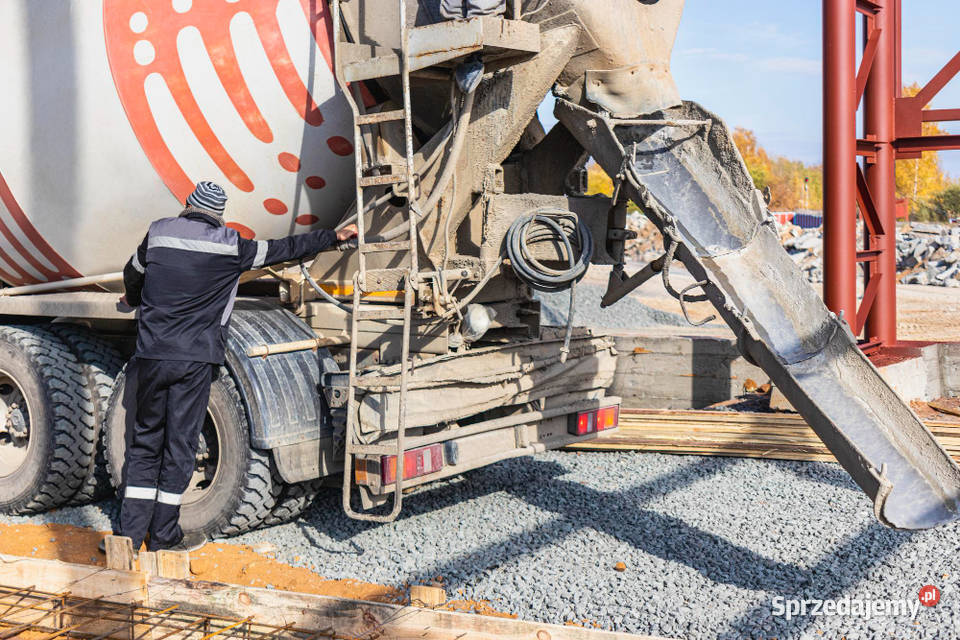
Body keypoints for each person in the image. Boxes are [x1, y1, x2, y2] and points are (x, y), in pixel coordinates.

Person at [110, 181, 357, 553]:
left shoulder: (159, 232)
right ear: (218, 215)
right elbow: (284, 249)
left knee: (145, 442)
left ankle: (128, 537)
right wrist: (335, 237)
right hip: (194, 362)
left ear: (188, 205)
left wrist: (131, 298)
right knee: (179, 446)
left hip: (153, 356)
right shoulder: (230, 246)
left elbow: (134, 273)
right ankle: (163, 537)